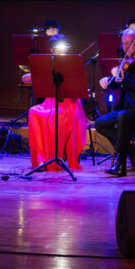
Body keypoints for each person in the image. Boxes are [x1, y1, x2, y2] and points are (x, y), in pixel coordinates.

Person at [94, 28, 135, 176]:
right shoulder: (129, 61)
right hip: (128, 109)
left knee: (123, 116)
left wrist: (125, 79)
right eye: (123, 44)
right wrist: (108, 82)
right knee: (100, 123)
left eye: (128, 43)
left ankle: (121, 163)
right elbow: (121, 83)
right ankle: (133, 153)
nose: (124, 47)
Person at [25, 34, 89, 171]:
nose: (62, 50)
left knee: (57, 118)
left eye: (64, 47)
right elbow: (25, 78)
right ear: (52, 49)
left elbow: (79, 85)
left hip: (70, 104)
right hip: (51, 102)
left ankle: (57, 157)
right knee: (34, 112)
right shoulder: (48, 63)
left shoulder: (73, 63)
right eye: (58, 48)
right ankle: (42, 158)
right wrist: (42, 73)